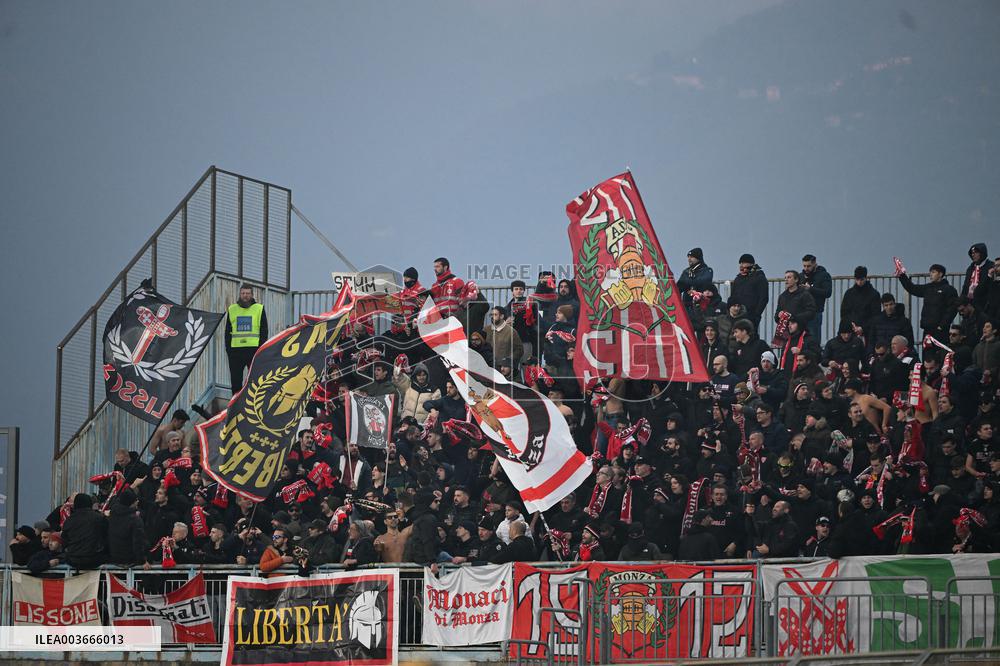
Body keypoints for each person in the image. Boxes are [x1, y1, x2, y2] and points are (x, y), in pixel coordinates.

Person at [225, 283, 268, 394]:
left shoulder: (259, 308)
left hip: (253, 351)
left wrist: (260, 350)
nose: (245, 295)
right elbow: (227, 332)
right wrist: (229, 350)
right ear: (240, 294)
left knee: (255, 381)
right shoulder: (232, 309)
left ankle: (253, 403)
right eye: (243, 293)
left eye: (248, 293)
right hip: (236, 352)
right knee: (236, 382)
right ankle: (236, 404)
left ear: (252, 295)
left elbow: (264, 330)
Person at [898, 263, 958, 341]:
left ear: (940, 274)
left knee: (940, 348)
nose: (930, 274)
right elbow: (912, 288)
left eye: (933, 272)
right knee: (927, 348)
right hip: (927, 329)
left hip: (941, 331)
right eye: (930, 272)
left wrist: (942, 326)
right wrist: (902, 275)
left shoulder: (949, 290)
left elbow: (952, 309)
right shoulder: (928, 288)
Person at [61, 493, 108, 569]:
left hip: (73, 560)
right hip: (94, 559)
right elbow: (106, 537)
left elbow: (64, 542)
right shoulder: (99, 518)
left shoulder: (69, 520)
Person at [107, 488, 147, 565]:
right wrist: (142, 560)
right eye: (135, 500)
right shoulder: (135, 520)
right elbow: (138, 542)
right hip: (129, 559)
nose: (138, 501)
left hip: (113, 557)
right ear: (131, 503)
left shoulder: (112, 516)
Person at [840, 266, 882, 339]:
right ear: (855, 279)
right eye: (857, 279)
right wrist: (851, 325)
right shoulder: (849, 293)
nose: (859, 282)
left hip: (868, 331)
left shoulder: (874, 294)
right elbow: (844, 313)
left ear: (866, 278)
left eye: (861, 279)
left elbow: (875, 315)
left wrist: (863, 328)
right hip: (851, 330)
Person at [730, 254, 769, 330]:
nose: (741, 265)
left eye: (744, 263)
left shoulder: (759, 278)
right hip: (737, 314)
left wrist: (756, 314)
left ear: (751, 264)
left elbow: (764, 298)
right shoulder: (738, 279)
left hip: (751, 315)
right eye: (740, 263)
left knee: (750, 334)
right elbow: (733, 297)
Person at [800, 254, 832, 340]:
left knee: (813, 340)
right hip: (801, 313)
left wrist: (811, 289)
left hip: (815, 312)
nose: (806, 268)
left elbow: (828, 292)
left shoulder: (824, 275)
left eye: (809, 266)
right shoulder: (801, 276)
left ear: (814, 264)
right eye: (804, 266)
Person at [963, 243, 994, 309]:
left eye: (976, 252)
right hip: (969, 303)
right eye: (972, 253)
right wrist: (962, 301)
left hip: (984, 303)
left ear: (982, 253)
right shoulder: (970, 268)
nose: (973, 255)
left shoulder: (991, 266)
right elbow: (965, 286)